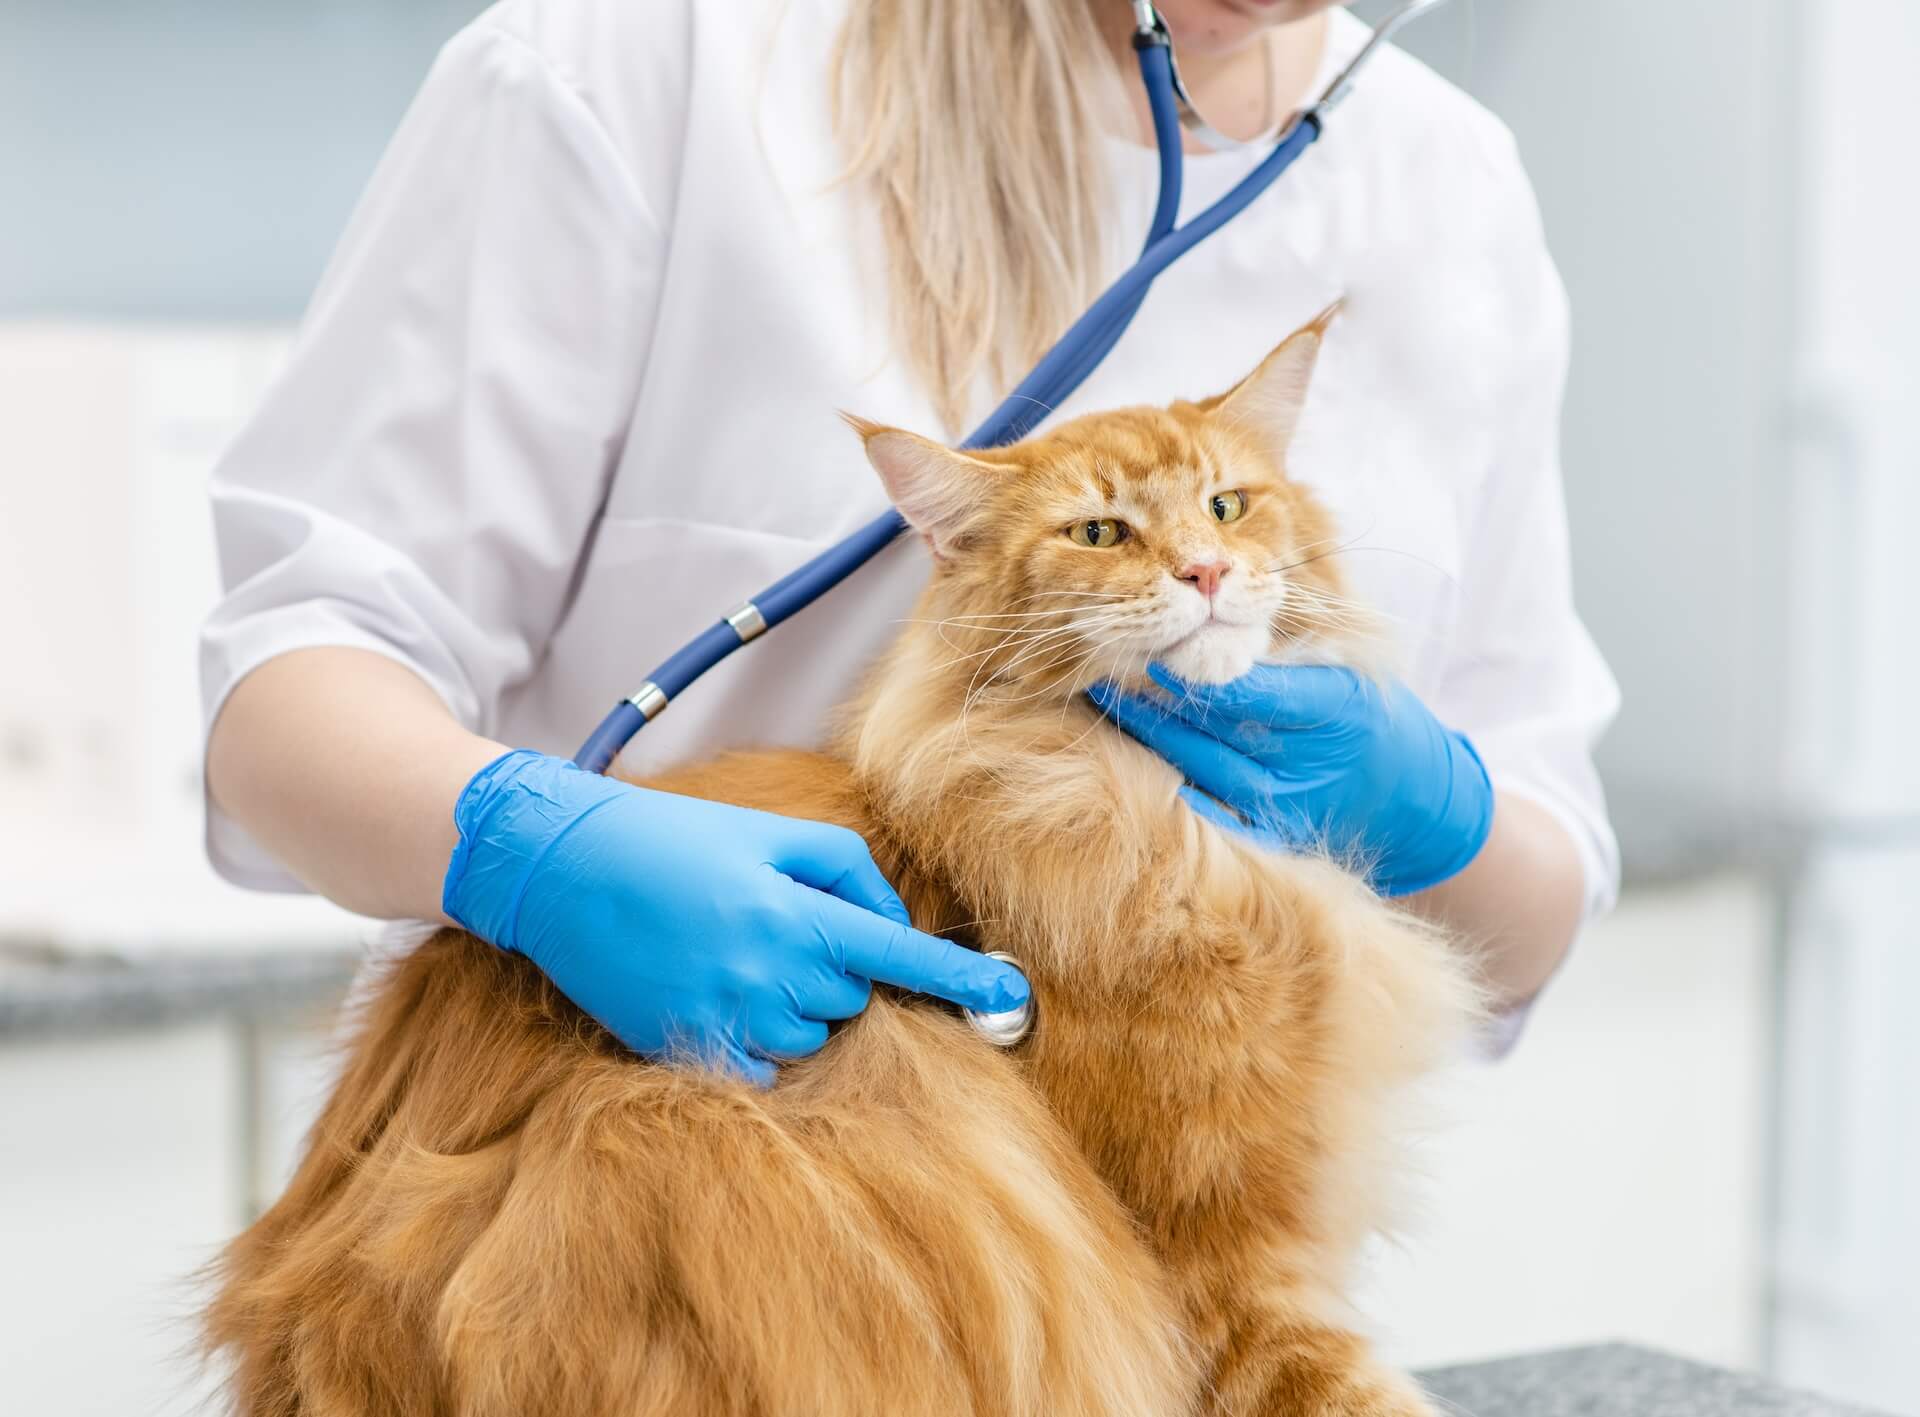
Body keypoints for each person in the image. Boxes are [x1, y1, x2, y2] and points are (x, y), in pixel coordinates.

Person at [201, 0, 1619, 1079]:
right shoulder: (647, 59)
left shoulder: (1450, 185)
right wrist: (534, 850)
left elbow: (1526, 919)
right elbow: (291, 692)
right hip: (677, 1173)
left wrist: (1433, 810)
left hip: (1180, 1247)